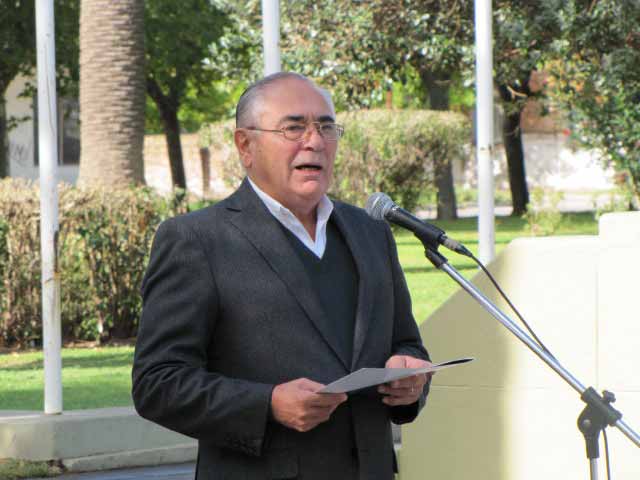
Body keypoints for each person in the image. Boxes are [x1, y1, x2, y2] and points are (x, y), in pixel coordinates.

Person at [132, 72, 431, 480]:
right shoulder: (197, 240)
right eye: (294, 127)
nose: (315, 141)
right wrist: (268, 404)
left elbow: (405, 342)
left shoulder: (370, 232)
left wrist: (409, 379)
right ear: (246, 145)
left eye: (326, 127)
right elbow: (157, 384)